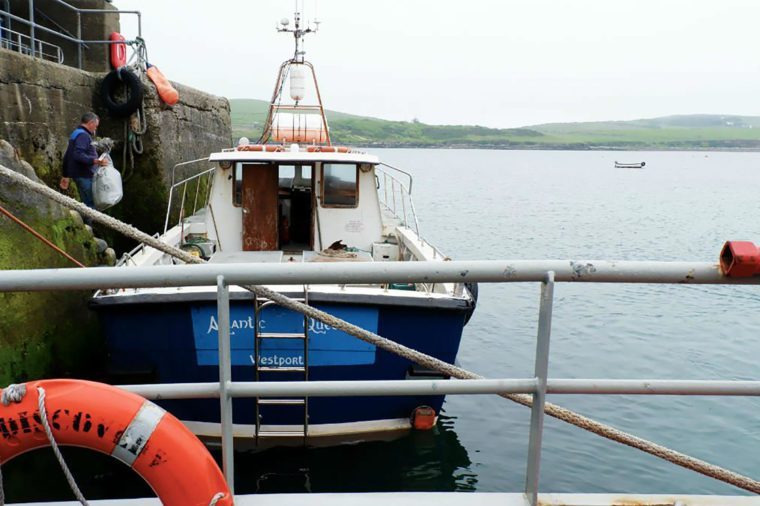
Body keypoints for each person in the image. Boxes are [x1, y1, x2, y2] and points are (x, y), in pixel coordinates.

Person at [61, 112, 108, 223]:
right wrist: (95, 161)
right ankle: (89, 229)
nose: (95, 129)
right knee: (90, 203)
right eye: (96, 126)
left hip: (80, 174)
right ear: (91, 123)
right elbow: (77, 155)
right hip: (84, 175)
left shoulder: (76, 133)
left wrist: (65, 175)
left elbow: (68, 155)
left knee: (87, 202)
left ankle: (87, 226)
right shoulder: (83, 135)